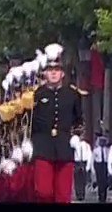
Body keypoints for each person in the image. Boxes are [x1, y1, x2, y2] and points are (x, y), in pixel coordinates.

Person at [21, 44, 87, 203]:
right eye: (50, 70)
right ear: (45, 73)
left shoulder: (72, 94)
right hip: (42, 146)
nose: (53, 73)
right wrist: (26, 140)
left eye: (57, 70)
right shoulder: (36, 94)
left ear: (62, 73)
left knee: (63, 195)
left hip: (64, 146)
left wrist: (76, 135)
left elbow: (79, 119)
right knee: (43, 191)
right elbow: (27, 120)